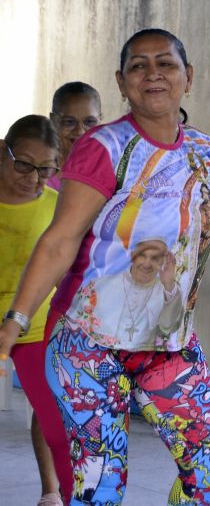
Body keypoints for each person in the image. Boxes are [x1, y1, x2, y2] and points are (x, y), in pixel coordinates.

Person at [0, 28, 210, 506]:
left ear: (188, 76)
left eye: (166, 63)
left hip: (166, 343)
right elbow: (60, 240)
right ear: (122, 81)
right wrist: (16, 320)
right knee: (101, 485)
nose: (152, 73)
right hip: (89, 347)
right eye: (138, 65)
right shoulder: (105, 147)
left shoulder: (207, 155)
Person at [0, 115, 71, 505]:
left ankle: (56, 494)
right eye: (23, 164)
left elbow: (66, 271)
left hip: (35, 328)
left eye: (46, 169)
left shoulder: (58, 208)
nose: (33, 177)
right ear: (1, 152)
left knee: (53, 418)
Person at [89, 238, 183, 348]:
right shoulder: (107, 280)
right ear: (133, 255)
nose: (147, 264)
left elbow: (168, 327)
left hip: (141, 357)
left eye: (155, 258)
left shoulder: (167, 290)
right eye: (142, 255)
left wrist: (169, 285)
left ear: (162, 262)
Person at [47, 82, 102, 191]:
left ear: (100, 119)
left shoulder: (112, 170)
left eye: (89, 122)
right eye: (69, 122)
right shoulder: (39, 173)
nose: (80, 131)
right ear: (54, 120)